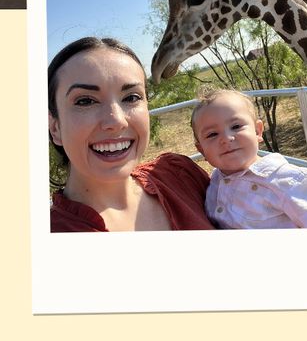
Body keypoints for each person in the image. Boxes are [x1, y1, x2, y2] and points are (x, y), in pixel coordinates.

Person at [48, 36, 214, 232]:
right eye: (85, 101)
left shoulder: (180, 174)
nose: (117, 121)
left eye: (131, 97)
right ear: (55, 127)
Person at [191, 88, 307, 229]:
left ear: (258, 131)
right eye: (212, 134)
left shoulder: (290, 182)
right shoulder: (214, 182)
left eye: (236, 126)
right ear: (202, 150)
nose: (226, 138)